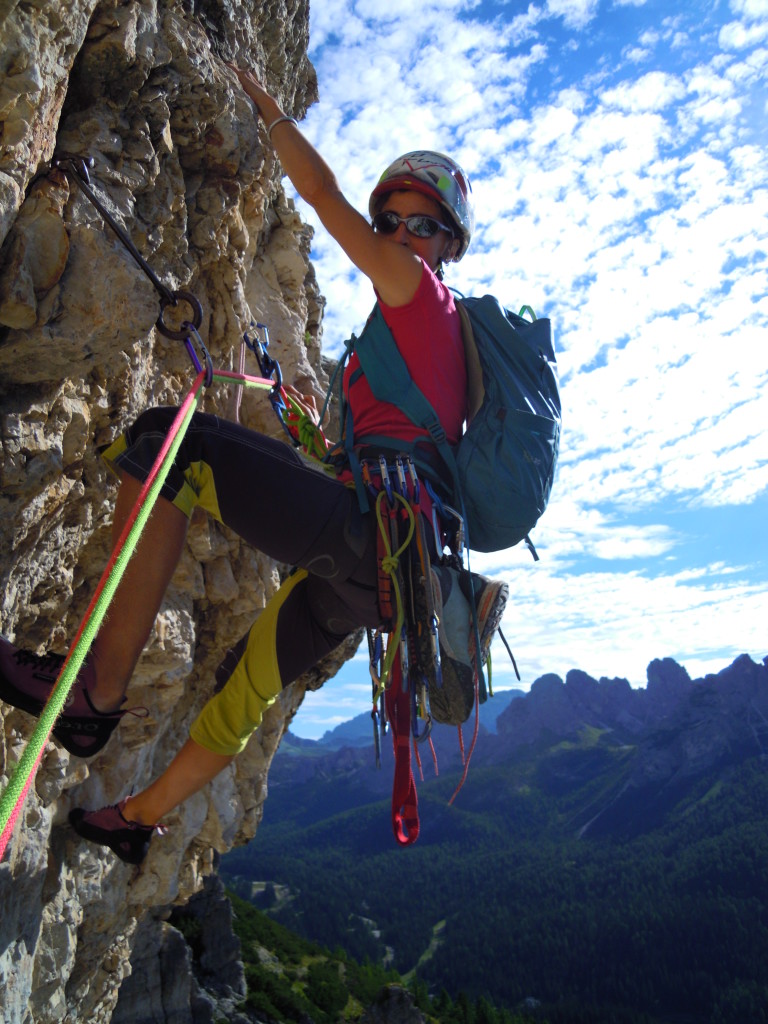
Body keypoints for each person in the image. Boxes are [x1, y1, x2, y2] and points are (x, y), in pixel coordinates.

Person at [0, 66, 492, 864]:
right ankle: (134, 821)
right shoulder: (426, 345)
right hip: (389, 576)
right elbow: (396, 453)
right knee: (243, 688)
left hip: (371, 539)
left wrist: (270, 114)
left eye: (421, 224)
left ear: (449, 244)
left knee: (170, 441)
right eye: (392, 221)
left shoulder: (422, 298)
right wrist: (317, 441)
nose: (401, 236)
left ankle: (95, 697)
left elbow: (328, 201)